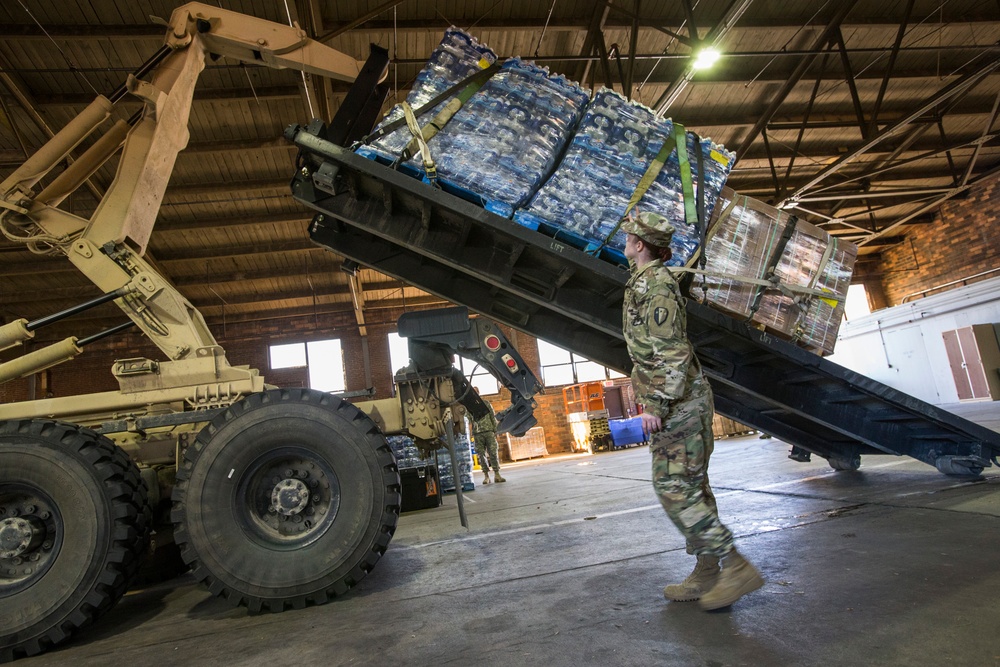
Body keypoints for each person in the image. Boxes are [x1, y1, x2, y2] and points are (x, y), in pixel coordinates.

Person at [621, 210, 763, 611]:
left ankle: (734, 565)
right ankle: (707, 571)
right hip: (678, 399)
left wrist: (655, 403)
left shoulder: (658, 287)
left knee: (673, 487)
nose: (625, 240)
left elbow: (672, 352)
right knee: (692, 486)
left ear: (640, 245)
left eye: (630, 236)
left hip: (680, 403)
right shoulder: (643, 280)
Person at [471, 396, 505, 484]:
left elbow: (492, 416)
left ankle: (497, 474)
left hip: (489, 431)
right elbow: (468, 419)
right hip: (478, 433)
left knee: (493, 452)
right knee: (481, 455)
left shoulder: (486, 403)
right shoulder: (470, 406)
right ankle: (486, 476)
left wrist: (495, 430)